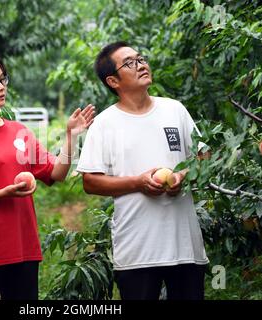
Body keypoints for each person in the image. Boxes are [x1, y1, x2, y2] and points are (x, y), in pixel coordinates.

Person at [0, 53, 95, 300]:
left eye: (3, 79)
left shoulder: (19, 131)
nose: (1, 86)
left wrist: (72, 137)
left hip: (23, 248)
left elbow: (56, 172)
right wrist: (3, 193)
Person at [76, 41, 209, 300]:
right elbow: (90, 182)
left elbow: (203, 157)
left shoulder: (175, 109)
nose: (141, 65)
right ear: (113, 81)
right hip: (138, 251)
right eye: (130, 63)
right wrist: (138, 182)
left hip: (185, 246)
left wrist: (182, 175)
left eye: (141, 59)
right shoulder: (104, 124)